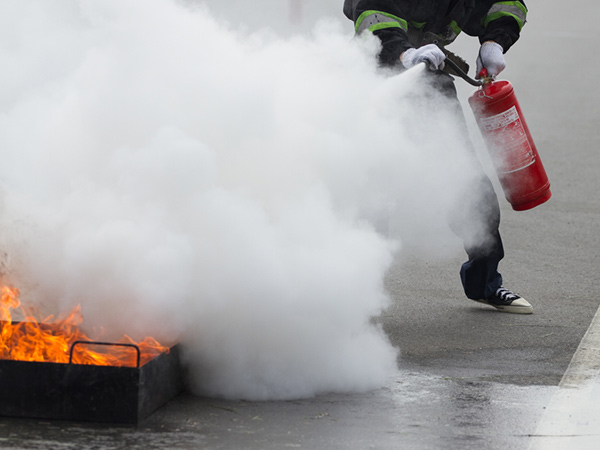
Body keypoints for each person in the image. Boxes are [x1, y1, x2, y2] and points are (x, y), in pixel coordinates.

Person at [343, 0, 533, 314]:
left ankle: (486, 284)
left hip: (429, 75)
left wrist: (495, 41)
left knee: (467, 183)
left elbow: (506, 5)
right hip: (374, 76)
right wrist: (404, 53)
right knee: (373, 191)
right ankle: (354, 292)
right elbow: (370, 12)